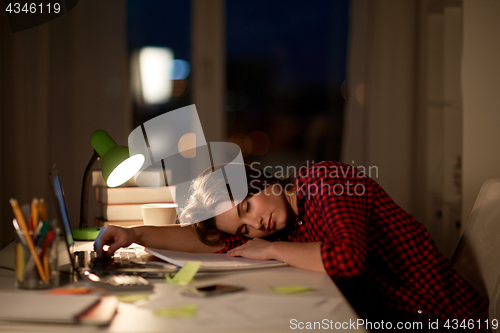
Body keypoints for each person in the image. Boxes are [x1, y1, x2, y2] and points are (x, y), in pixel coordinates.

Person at [94, 161, 489, 331]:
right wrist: (135, 234)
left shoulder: (325, 181)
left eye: (248, 207)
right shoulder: (285, 224)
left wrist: (270, 251)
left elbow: (346, 259)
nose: (255, 226)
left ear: (264, 181)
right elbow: (212, 243)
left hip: (445, 319)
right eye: (245, 229)